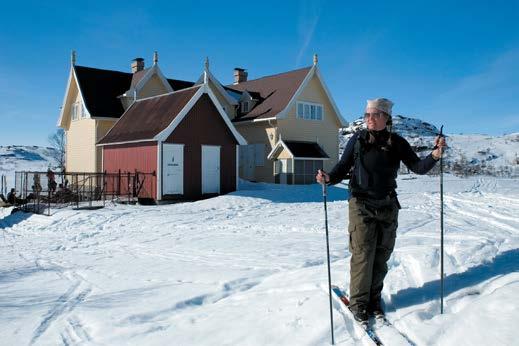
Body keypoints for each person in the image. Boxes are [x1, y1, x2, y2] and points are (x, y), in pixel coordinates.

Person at [316, 98, 446, 323]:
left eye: (375, 114)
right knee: (363, 254)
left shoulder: (397, 142)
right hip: (361, 204)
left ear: (386, 117)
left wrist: (434, 155)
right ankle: (358, 303)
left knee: (381, 256)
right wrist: (328, 178)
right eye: (367, 114)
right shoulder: (357, 140)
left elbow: (418, 168)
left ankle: (374, 301)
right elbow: (342, 167)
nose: (369, 118)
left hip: (387, 205)